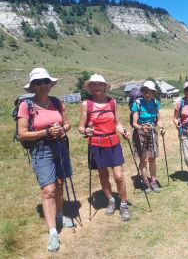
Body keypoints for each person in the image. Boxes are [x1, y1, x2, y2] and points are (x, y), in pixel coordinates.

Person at [17, 68, 74, 253]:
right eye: (37, 83)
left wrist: (62, 129)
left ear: (50, 84)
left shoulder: (56, 102)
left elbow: (68, 123)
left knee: (59, 182)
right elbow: (22, 134)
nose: (42, 86)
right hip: (41, 150)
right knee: (48, 190)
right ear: (33, 86)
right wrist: (46, 132)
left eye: (45, 82)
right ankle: (52, 232)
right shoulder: (26, 105)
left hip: (60, 146)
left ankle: (60, 215)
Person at [78, 74, 131, 222]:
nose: (97, 87)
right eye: (93, 85)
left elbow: (116, 123)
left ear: (104, 86)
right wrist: (86, 131)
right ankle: (111, 201)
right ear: (90, 87)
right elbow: (81, 127)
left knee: (118, 176)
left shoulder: (112, 102)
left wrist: (124, 131)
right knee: (103, 175)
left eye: (99, 84)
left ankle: (124, 204)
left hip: (113, 142)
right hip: (96, 144)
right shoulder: (86, 104)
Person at [131, 80, 165, 193]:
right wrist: (141, 128)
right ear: (142, 91)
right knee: (143, 158)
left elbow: (158, 120)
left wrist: (162, 127)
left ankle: (153, 181)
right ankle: (146, 183)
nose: (147, 93)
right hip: (140, 133)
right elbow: (134, 123)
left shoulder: (156, 103)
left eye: (150, 91)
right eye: (145, 90)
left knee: (152, 158)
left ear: (153, 92)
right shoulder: (137, 103)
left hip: (151, 132)